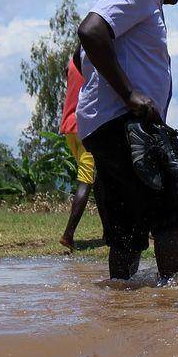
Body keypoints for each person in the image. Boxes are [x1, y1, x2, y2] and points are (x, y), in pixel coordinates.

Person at [74, 0, 178, 283]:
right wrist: (130, 95)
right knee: (172, 213)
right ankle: (171, 303)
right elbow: (91, 32)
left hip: (105, 126)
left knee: (125, 226)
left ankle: (123, 306)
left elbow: (83, 49)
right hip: (127, 124)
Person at [57, 54, 97, 252]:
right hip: (86, 127)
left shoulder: (72, 62)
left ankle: (109, 231)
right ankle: (68, 234)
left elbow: (66, 72)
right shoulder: (96, 61)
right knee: (86, 181)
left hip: (69, 128)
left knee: (99, 180)